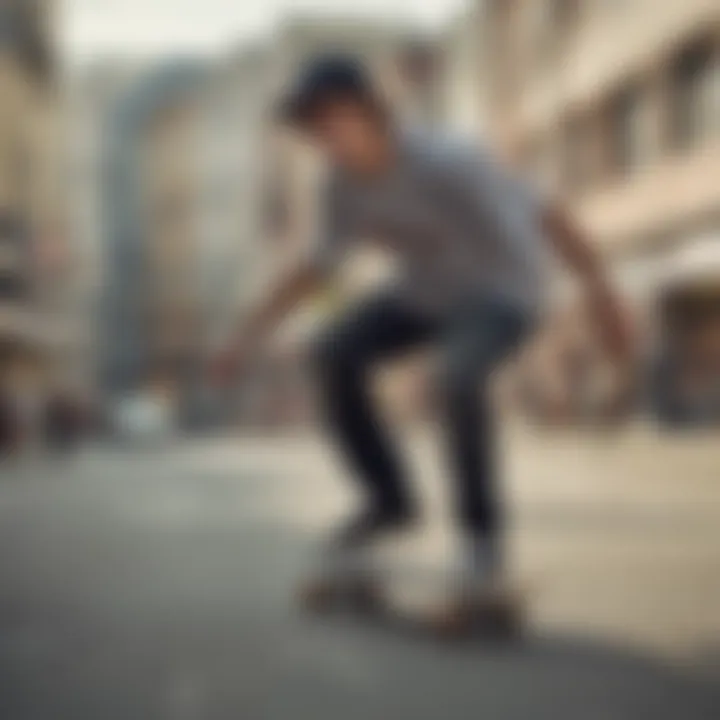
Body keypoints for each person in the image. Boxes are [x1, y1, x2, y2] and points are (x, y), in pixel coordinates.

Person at [211, 55, 633, 625]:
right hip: (424, 296)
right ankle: (390, 503)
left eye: (336, 120)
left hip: (505, 292)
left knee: (457, 376)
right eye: (314, 129)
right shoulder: (339, 185)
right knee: (334, 351)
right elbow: (315, 268)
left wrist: (600, 291)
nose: (327, 138)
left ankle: (481, 547)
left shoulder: (447, 161)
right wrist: (245, 335)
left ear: (372, 111)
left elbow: (546, 207)